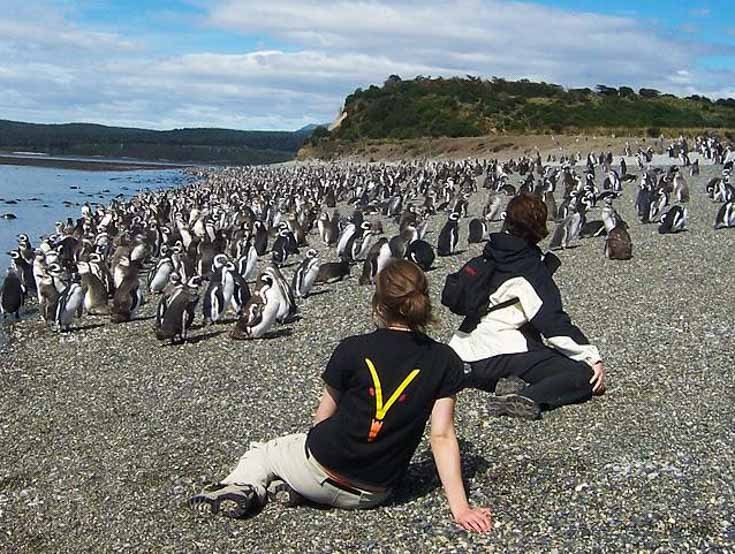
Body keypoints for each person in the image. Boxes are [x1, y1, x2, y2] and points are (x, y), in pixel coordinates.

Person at [189, 260, 492, 533]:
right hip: (374, 492)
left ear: (379, 305)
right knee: (299, 455)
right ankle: (292, 488)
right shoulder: (444, 360)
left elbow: (323, 417)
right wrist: (461, 509)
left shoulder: (352, 348)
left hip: (322, 467)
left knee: (265, 452)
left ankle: (244, 488)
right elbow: (441, 436)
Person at [449, 193, 605, 420]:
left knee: (530, 346)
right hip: (499, 353)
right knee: (581, 374)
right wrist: (592, 358)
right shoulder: (529, 268)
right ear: (539, 228)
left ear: (507, 220)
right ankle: (527, 396)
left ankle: (503, 382)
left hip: (464, 351)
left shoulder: (490, 255)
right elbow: (553, 324)